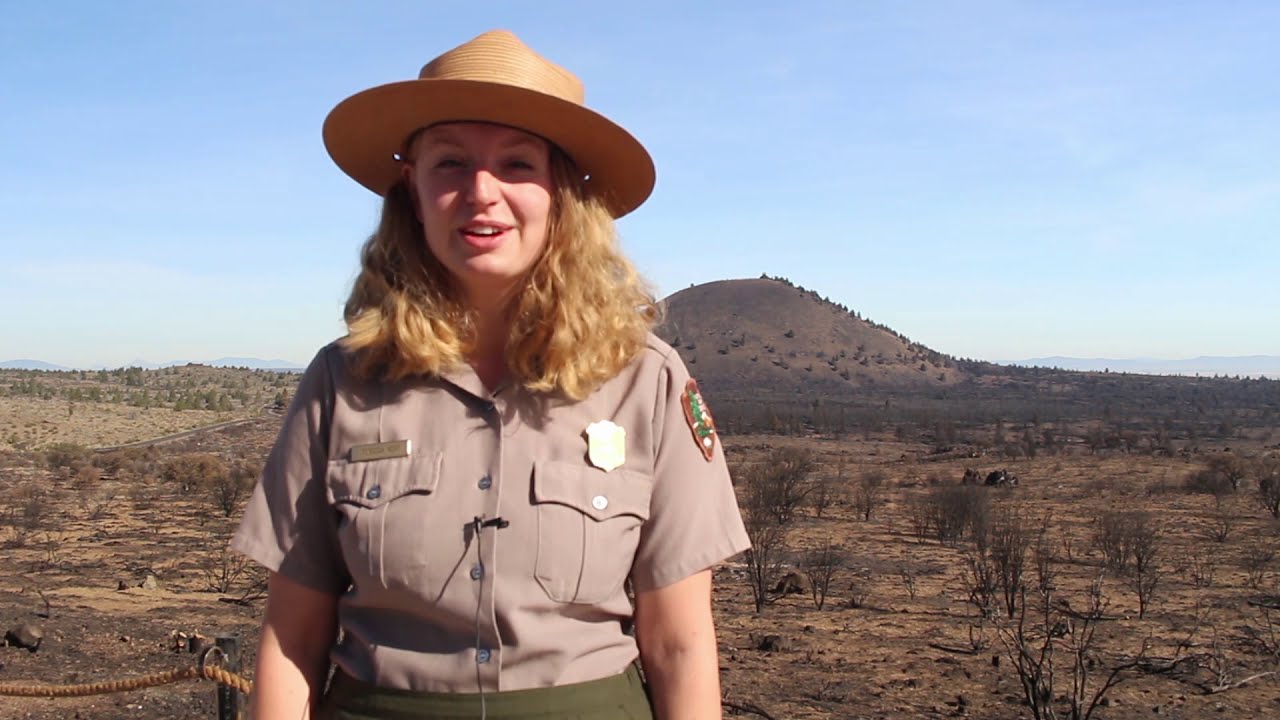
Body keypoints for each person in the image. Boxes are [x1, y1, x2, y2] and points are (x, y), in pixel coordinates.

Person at [231, 29, 750, 720]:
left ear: (561, 195)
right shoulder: (343, 381)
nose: (481, 192)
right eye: (449, 163)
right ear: (413, 194)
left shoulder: (645, 381)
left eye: (517, 164)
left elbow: (680, 643)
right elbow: (292, 636)